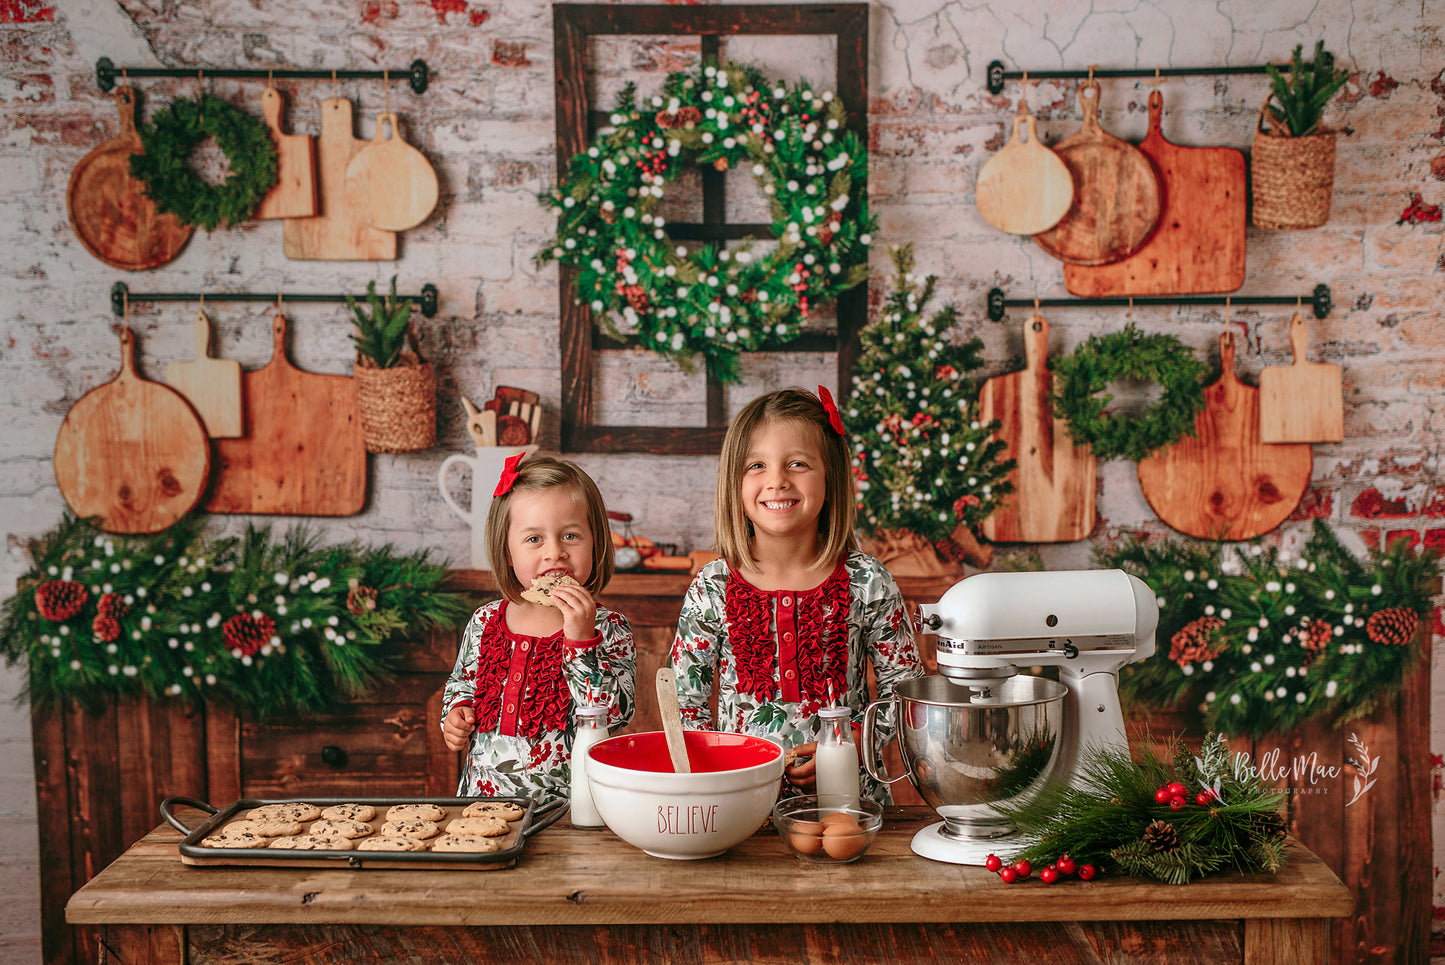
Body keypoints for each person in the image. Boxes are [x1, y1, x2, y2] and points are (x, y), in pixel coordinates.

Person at [669, 387, 922, 803]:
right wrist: (721, 770)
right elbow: (685, 704)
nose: (777, 481)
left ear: (831, 475)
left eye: (798, 463)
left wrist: (855, 745)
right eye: (756, 465)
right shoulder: (712, 586)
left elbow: (906, 690)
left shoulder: (867, 580)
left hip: (849, 806)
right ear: (734, 481)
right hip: (741, 810)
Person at [442, 453, 635, 801]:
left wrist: (582, 642)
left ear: (597, 543)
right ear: (507, 550)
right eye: (534, 539)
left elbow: (616, 717)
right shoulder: (484, 622)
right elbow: (461, 683)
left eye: (571, 536)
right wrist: (456, 713)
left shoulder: (608, 627)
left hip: (572, 810)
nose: (555, 553)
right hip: (481, 804)